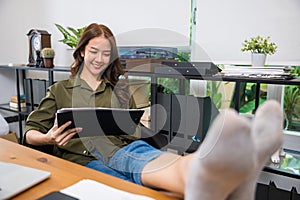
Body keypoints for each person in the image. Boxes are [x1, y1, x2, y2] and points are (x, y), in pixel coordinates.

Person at [24, 23, 283, 199]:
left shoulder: (118, 88)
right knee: (141, 190)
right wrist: (48, 138)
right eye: (94, 51)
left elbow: (132, 127)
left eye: (106, 53)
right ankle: (232, 181)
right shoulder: (61, 89)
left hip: (124, 149)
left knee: (165, 165)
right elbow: (29, 132)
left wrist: (141, 119)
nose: (99, 59)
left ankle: (232, 167)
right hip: (84, 158)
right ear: (81, 52)